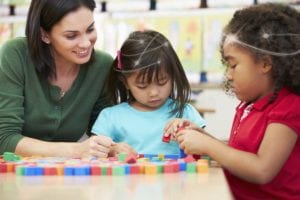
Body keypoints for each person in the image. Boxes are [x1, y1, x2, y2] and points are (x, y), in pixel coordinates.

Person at [164, 3, 300, 199]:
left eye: (233, 65)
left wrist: (208, 145)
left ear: (265, 63)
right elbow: (238, 155)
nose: (228, 75)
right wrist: (201, 136)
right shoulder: (249, 106)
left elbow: (262, 169)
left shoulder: (288, 106)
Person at [0, 0, 115, 158]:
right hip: (12, 175)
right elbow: (5, 139)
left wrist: (113, 147)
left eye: (90, 29)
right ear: (44, 34)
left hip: (67, 176)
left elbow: (104, 131)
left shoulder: (102, 66)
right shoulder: (15, 55)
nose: (86, 43)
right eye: (71, 35)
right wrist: (76, 150)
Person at [91, 30, 206, 156]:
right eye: (142, 85)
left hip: (177, 176)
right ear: (125, 82)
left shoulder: (185, 112)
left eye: (162, 81)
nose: (154, 92)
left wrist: (190, 130)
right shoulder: (111, 117)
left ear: (173, 75)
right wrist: (112, 150)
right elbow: (93, 151)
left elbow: (208, 149)